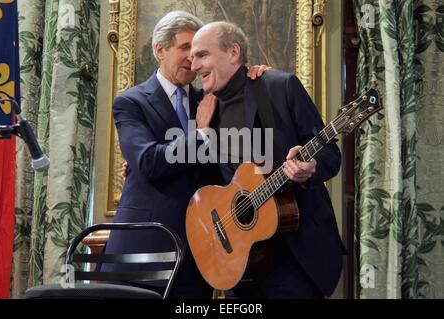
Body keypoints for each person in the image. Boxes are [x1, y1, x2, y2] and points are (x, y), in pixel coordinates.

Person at [102, 11, 269, 299]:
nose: (192, 60)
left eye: (196, 52)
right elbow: (147, 162)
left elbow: (227, 164)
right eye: (184, 48)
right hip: (144, 248)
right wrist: (201, 134)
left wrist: (255, 80)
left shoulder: (210, 100)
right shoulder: (130, 103)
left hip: (199, 251)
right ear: (160, 50)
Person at [189, 21, 346, 298]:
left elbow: (330, 153)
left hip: (295, 256)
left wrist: (310, 167)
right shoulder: (200, 106)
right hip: (241, 259)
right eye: (191, 58)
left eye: (202, 55)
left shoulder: (278, 86)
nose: (194, 67)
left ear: (233, 52)